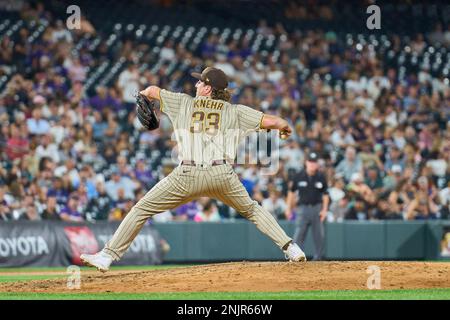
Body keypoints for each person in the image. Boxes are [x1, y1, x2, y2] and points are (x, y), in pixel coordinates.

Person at [80, 67, 306, 271]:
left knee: (141, 209)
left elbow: (151, 90)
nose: (196, 84)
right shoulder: (235, 111)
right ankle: (291, 248)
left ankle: (107, 256)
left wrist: (141, 95)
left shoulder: (184, 102)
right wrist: (284, 130)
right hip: (222, 175)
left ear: (208, 88)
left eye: (200, 82)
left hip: (186, 174)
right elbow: (277, 122)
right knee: (253, 210)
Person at [285, 152, 329, 260]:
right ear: (306, 162)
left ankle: (318, 258)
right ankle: (295, 257)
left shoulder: (321, 177)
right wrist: (288, 208)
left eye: (314, 162)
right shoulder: (299, 175)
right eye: (310, 162)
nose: (312, 164)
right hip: (302, 209)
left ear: (317, 164)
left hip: (317, 208)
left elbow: (326, 194)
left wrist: (324, 210)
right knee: (299, 235)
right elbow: (291, 192)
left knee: (319, 236)